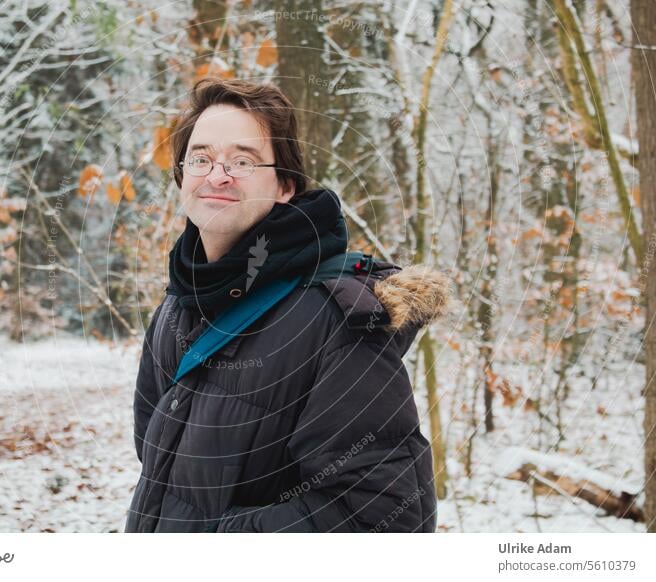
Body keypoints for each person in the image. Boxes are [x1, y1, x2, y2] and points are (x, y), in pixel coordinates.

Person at [124, 77, 449, 533]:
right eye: (201, 158)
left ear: (285, 186)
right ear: (182, 175)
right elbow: (163, 471)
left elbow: (384, 515)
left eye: (243, 160)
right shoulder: (178, 306)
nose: (217, 174)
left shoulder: (335, 321)